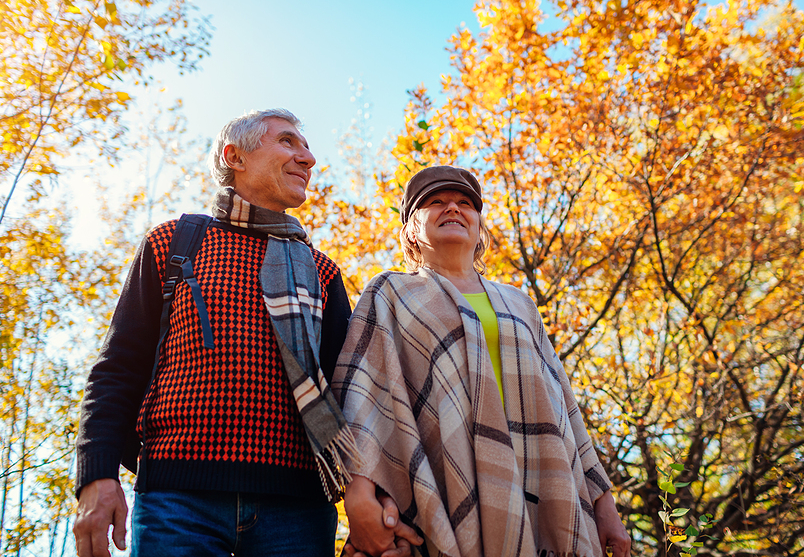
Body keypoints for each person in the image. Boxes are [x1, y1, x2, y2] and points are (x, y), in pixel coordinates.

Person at [73, 108, 413, 557]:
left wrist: (375, 496)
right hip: (177, 499)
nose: (307, 158)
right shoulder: (174, 243)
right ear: (234, 156)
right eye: (288, 142)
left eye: (307, 148)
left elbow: (350, 395)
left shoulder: (322, 272)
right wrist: (97, 474)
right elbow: (117, 368)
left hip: (298, 509)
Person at [334, 165, 631, 557]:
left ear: (479, 227)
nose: (453, 208)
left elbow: (565, 407)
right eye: (435, 202)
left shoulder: (519, 303)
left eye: (465, 204)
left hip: (541, 478)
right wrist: (357, 496)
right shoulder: (391, 293)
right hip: (445, 486)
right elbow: (361, 398)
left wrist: (603, 503)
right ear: (410, 229)